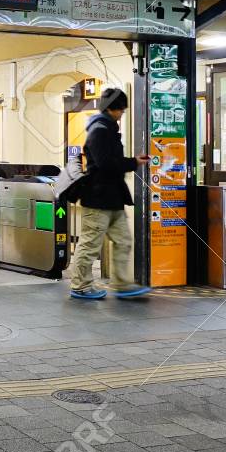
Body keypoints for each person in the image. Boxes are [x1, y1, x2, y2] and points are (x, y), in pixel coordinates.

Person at [70, 87, 151, 300]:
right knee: (89, 245)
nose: (122, 114)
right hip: (97, 199)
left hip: (114, 199)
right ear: (112, 109)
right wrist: (133, 162)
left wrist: (133, 161)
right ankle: (80, 285)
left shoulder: (108, 129)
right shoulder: (99, 130)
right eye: (121, 110)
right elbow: (105, 164)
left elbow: (111, 161)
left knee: (124, 241)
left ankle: (122, 284)